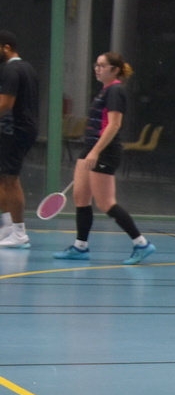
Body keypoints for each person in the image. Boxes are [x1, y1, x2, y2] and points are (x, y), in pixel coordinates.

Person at [52, 52, 156, 265]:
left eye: (102, 65)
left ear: (115, 70)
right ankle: (80, 247)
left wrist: (96, 151)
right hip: (90, 148)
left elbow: (115, 124)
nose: (97, 69)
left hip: (104, 151)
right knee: (80, 197)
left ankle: (141, 243)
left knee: (106, 203)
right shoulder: (105, 90)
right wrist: (90, 150)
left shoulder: (116, 90)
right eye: (96, 65)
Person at [0, 31, 41, 250]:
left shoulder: (12, 70)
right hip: (17, 129)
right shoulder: (27, 68)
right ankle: (8, 226)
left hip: (15, 130)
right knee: (3, 178)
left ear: (6, 47)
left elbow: (5, 103)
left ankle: (19, 233)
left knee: (10, 179)